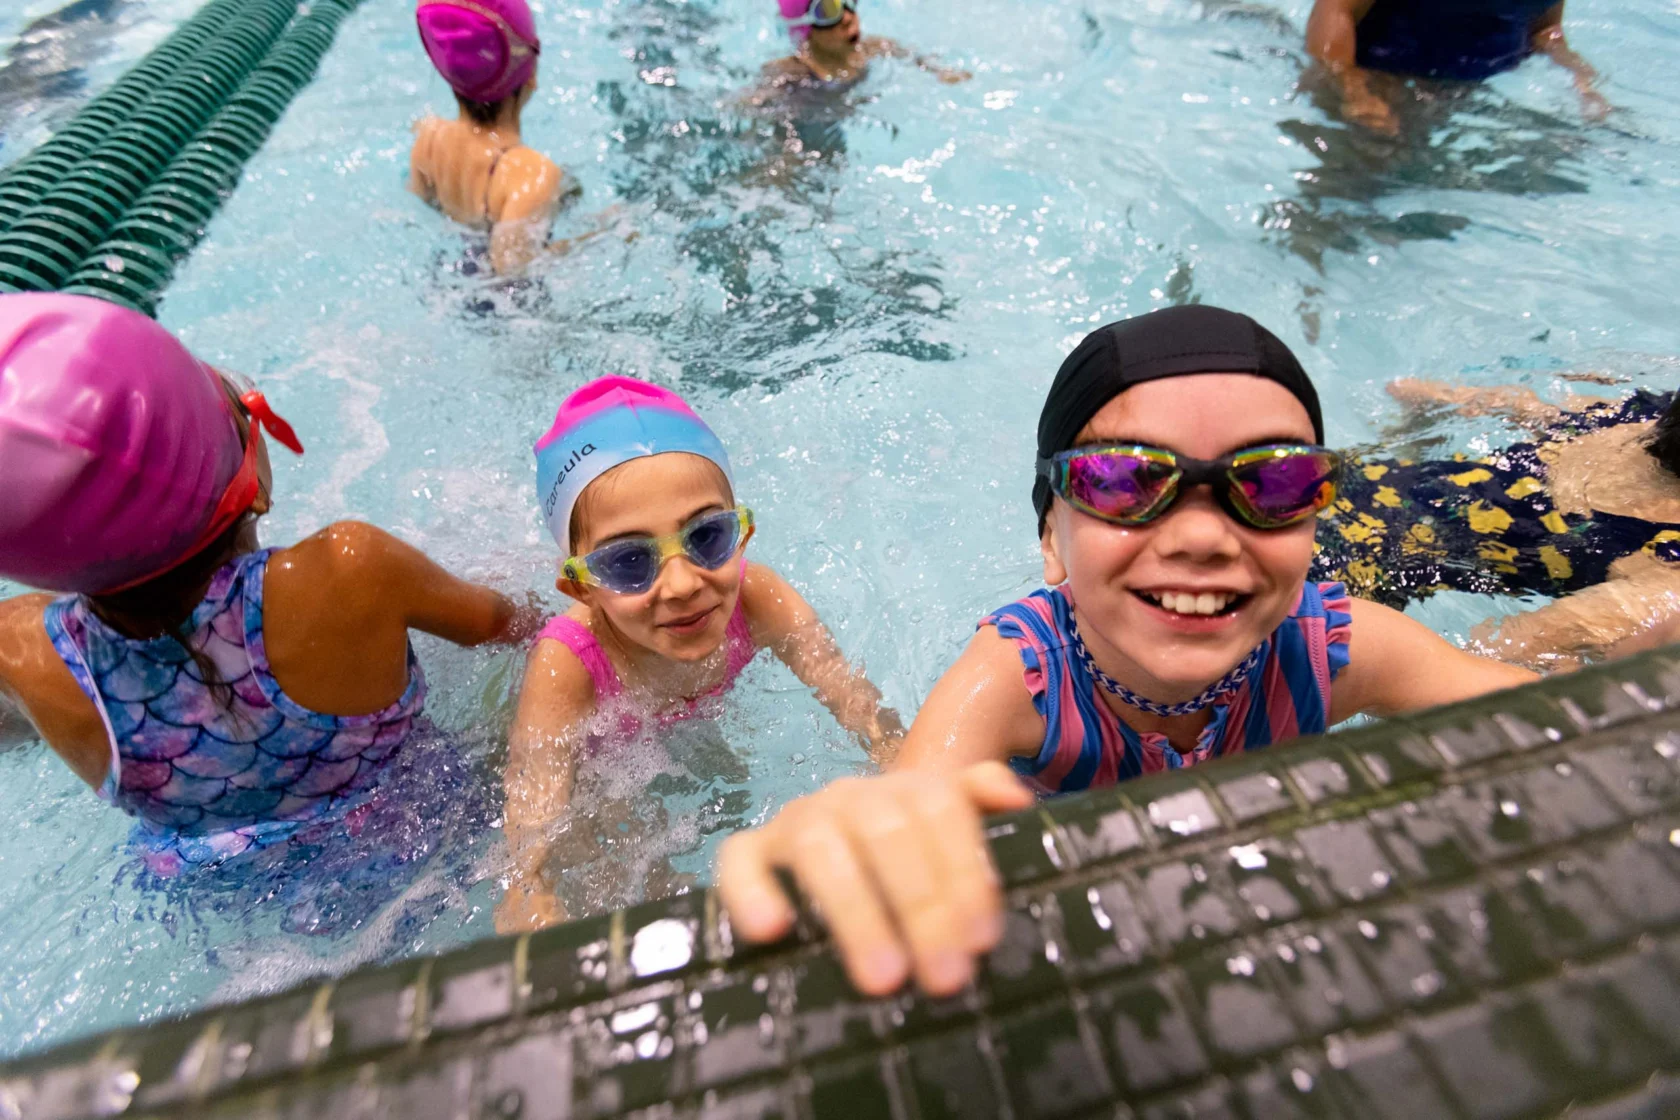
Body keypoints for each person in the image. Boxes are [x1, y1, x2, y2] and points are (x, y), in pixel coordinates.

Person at [715, 305, 1536, 995]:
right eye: (1123, 481)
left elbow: (1567, 729)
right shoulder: (1018, 679)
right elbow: (914, 808)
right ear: (1050, 539)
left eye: (1274, 482)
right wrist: (860, 837)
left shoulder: (1339, 649)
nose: (1206, 535)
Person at [0, 293, 543, 875]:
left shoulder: (23, 652)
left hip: (228, 890)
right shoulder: (348, 570)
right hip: (423, 839)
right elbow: (507, 625)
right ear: (251, 487)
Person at [496, 375, 903, 934]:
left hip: (680, 737)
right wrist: (528, 894)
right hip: (603, 761)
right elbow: (531, 821)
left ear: (742, 531)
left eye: (707, 536)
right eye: (629, 562)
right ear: (583, 589)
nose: (683, 584)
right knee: (633, 890)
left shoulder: (760, 600)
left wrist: (900, 778)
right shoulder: (567, 664)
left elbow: (865, 713)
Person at [1319, 378, 1680, 669]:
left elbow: (1416, 391)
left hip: (1335, 488)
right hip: (1352, 575)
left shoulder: (1637, 412)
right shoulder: (1669, 574)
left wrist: (1413, 440)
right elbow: (1497, 650)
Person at [410, 0, 613, 276]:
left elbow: (422, 208)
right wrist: (602, 234)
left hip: (448, 277)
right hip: (499, 308)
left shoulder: (429, 137)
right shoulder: (532, 174)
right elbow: (513, 270)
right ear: (530, 75)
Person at [1305, 1, 1606, 135]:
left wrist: (1582, 83)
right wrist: (1353, 90)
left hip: (1457, 94)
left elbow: (1545, 29)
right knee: (1347, 190)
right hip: (1377, 82)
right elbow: (1335, 10)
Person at [760, 0, 971, 92]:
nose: (848, 17)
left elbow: (910, 55)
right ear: (805, 27)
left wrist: (942, 72)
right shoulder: (791, 74)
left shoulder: (871, 48)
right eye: (828, 10)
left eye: (848, 1)